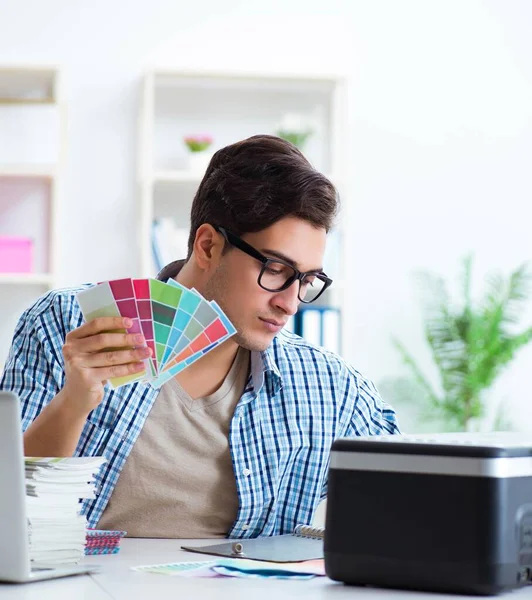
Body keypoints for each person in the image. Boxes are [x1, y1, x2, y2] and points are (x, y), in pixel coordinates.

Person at [0, 134, 399, 539]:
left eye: (307, 280)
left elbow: (412, 489)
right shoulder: (72, 324)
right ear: (207, 245)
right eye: (276, 270)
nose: (291, 304)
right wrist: (73, 404)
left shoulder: (327, 386)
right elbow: (8, 514)